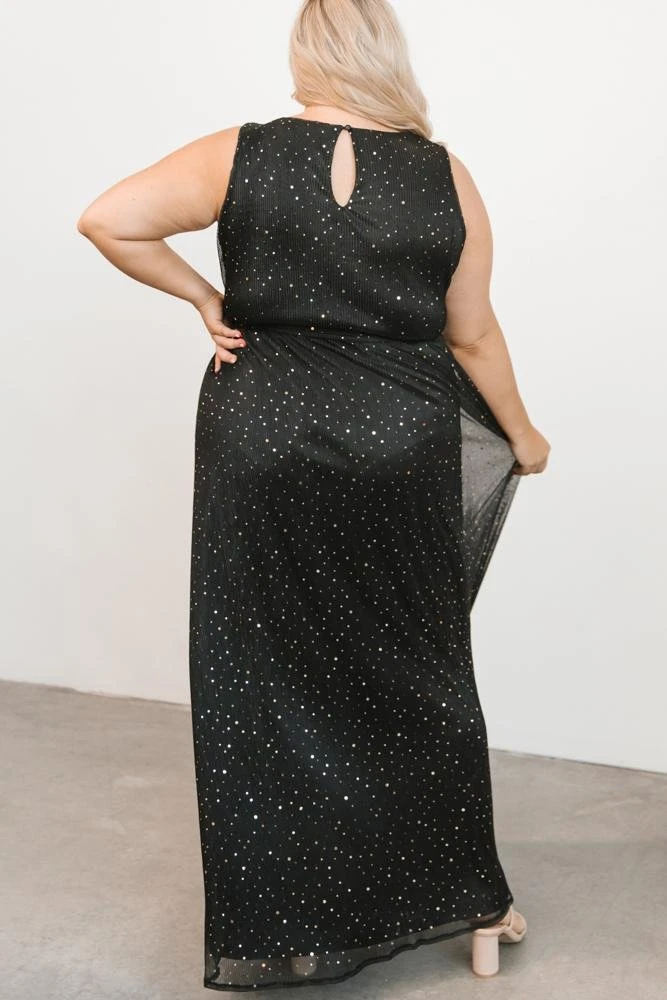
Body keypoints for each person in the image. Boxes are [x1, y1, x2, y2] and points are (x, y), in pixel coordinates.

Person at [77, 0, 549, 990]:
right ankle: (470, 904)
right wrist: (522, 433)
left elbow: (107, 218)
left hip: (260, 432)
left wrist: (207, 298)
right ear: (387, 54)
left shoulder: (239, 153)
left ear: (305, 54)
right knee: (416, 666)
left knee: (260, 677)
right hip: (397, 439)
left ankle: (281, 927)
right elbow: (470, 333)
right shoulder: (442, 174)